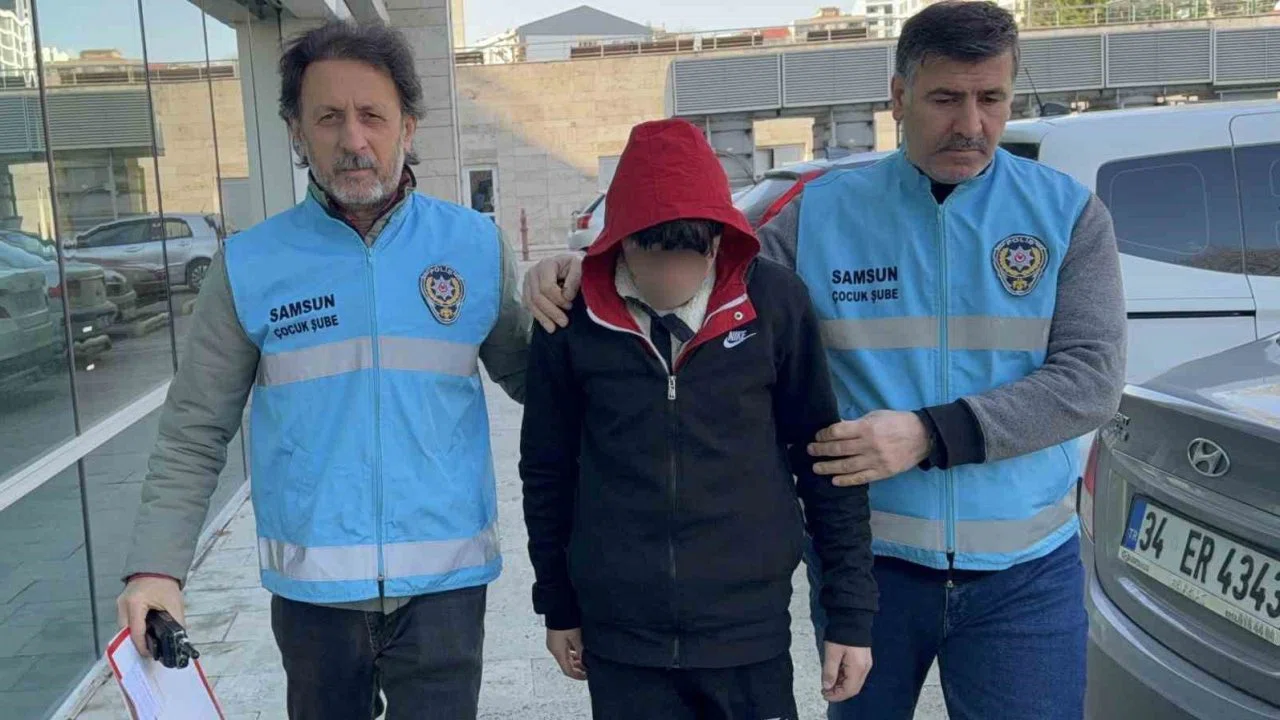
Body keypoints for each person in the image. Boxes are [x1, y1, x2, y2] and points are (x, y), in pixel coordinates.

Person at [522, 3, 1126, 718]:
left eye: (991, 98)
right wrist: (586, 268)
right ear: (898, 96)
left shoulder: (1067, 215)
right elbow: (707, 265)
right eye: (945, 99)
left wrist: (930, 433)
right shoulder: (821, 214)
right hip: (874, 568)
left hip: (1023, 575)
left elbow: (1090, 380)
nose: (971, 123)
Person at [115, 19, 531, 720]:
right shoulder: (249, 265)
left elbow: (542, 382)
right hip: (315, 603)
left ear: (408, 126)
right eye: (329, 117)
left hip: (446, 592)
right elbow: (194, 429)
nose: (353, 139)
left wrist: (586, 297)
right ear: (296, 131)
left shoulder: (474, 247)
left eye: (373, 115)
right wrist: (157, 567)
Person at [519, 118, 877, 719]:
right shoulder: (570, 317)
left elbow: (824, 462)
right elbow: (546, 470)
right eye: (652, 258)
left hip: (749, 635)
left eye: (691, 257)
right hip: (623, 641)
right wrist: (557, 605)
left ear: (718, 240)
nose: (671, 279)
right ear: (620, 242)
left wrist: (850, 615)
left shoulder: (776, 303)